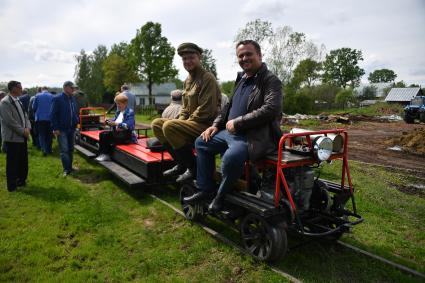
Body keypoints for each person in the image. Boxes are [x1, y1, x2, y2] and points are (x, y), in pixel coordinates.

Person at [184, 40, 283, 212]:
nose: (244, 58)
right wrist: (215, 125)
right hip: (230, 133)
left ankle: (220, 197)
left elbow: (271, 109)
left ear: (259, 55)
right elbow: (227, 107)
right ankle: (205, 189)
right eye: (241, 55)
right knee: (201, 142)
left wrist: (238, 122)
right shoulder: (242, 79)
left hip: (253, 137)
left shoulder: (270, 80)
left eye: (248, 54)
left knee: (231, 158)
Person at [151, 42, 221, 183]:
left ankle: (193, 167)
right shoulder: (187, 81)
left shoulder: (207, 78)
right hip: (192, 124)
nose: (187, 61)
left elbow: (206, 110)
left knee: (169, 126)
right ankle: (182, 163)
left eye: (191, 57)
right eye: (184, 59)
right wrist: (180, 120)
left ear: (199, 58)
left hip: (206, 125)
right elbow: (185, 108)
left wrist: (181, 124)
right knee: (157, 124)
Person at [0, 81, 31, 191]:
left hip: (22, 135)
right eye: (19, 87)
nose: (21, 89)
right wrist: (23, 131)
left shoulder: (18, 100)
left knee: (23, 160)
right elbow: (10, 121)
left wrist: (28, 127)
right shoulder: (5, 102)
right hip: (13, 138)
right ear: (13, 88)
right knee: (12, 163)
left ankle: (21, 181)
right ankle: (12, 186)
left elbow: (25, 115)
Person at [95, 93, 137, 161]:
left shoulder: (130, 112)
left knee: (106, 136)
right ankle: (102, 153)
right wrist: (108, 122)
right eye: (117, 104)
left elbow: (128, 126)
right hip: (118, 134)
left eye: (119, 104)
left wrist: (116, 124)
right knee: (102, 134)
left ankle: (105, 155)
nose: (118, 106)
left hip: (126, 135)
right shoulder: (118, 112)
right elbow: (114, 120)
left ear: (125, 103)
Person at [50, 81, 79, 176]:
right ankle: (66, 169)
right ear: (66, 88)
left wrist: (76, 121)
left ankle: (70, 167)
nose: (74, 90)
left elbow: (74, 111)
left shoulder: (73, 98)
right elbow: (53, 114)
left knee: (70, 149)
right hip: (61, 129)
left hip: (72, 128)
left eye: (74, 88)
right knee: (64, 150)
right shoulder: (57, 98)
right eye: (72, 88)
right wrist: (55, 128)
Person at [33, 86, 53, 156]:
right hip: (50, 118)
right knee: (49, 135)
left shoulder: (37, 96)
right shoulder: (52, 96)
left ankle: (44, 149)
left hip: (40, 118)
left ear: (41, 90)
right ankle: (49, 149)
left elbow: (34, 107)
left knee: (42, 135)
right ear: (47, 89)